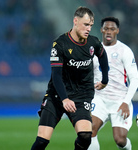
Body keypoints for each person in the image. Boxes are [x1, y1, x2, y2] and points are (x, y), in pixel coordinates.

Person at [31, 6, 109, 150]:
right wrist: (64, 99)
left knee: (86, 136)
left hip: (81, 96)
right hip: (57, 95)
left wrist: (105, 80)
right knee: (42, 140)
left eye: (91, 25)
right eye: (86, 24)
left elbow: (103, 57)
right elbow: (56, 75)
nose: (89, 29)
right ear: (75, 21)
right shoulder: (60, 44)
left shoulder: (93, 43)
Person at [88, 17, 138, 150]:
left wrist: (126, 102)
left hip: (119, 101)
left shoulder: (125, 50)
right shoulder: (93, 51)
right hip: (99, 98)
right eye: (106, 29)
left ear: (117, 31)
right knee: (89, 131)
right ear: (101, 30)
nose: (108, 32)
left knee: (120, 140)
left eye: (112, 29)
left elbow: (135, 79)